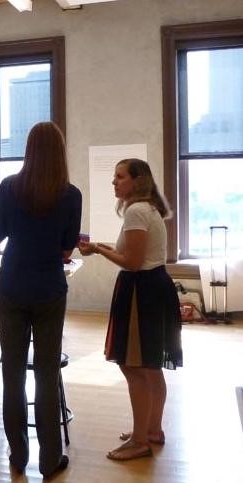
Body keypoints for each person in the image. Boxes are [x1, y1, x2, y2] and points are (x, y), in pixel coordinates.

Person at [0, 121, 81, 478]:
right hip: (49, 287)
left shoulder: (9, 186)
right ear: (59, 151)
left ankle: (17, 455)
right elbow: (66, 246)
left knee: (11, 372)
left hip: (12, 283)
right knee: (45, 372)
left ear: (28, 149)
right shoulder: (70, 194)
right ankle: (50, 460)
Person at [78, 158, 182, 461]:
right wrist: (101, 247)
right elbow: (132, 253)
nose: (114, 182)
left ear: (137, 181)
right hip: (153, 287)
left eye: (119, 177)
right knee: (150, 366)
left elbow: (133, 263)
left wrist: (98, 250)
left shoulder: (136, 211)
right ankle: (151, 430)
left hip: (141, 291)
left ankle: (140, 441)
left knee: (134, 366)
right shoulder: (147, 209)